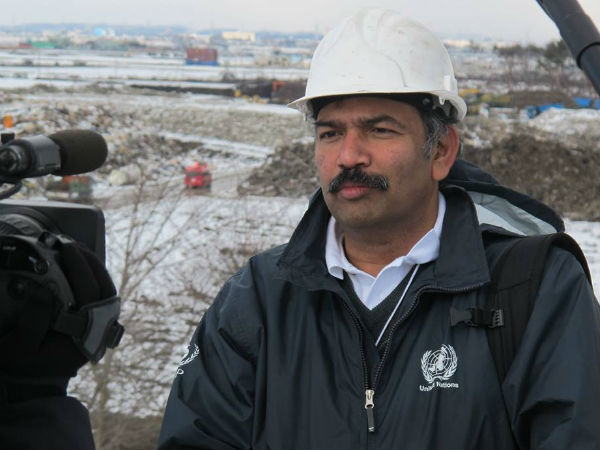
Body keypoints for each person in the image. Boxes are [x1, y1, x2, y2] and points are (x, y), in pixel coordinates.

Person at [158, 8, 600, 450]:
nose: (349, 156)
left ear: (441, 151)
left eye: (380, 130)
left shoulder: (533, 287)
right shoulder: (259, 298)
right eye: (330, 134)